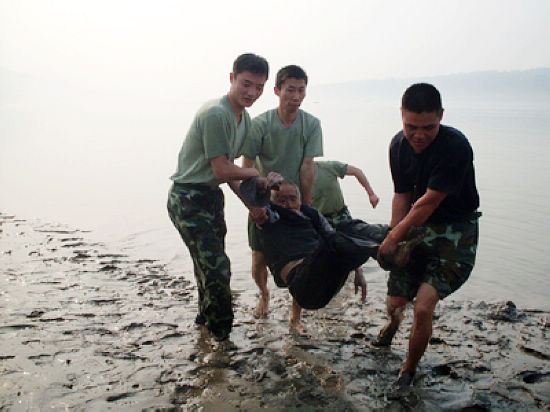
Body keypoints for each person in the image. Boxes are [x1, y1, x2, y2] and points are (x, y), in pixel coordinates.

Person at [375, 83, 481, 388]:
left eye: (428, 127)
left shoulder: (455, 146)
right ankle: (392, 327)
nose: (418, 135)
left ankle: (408, 370)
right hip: (417, 225)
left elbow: (428, 201)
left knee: (422, 306)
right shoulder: (398, 145)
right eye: (411, 126)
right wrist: (395, 238)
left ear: (441, 117)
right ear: (401, 117)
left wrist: (395, 237)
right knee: (396, 301)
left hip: (456, 232)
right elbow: (402, 195)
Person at [166, 53, 270, 342]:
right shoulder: (216, 113)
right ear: (232, 79)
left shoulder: (244, 119)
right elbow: (223, 168)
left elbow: (230, 175)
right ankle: (221, 338)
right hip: (188, 198)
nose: (251, 93)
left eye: (259, 87)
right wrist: (254, 176)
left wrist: (252, 205)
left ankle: (206, 325)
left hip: (211, 196)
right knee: (218, 269)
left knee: (208, 267)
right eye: (246, 84)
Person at [245, 180, 390, 332]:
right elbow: (249, 194)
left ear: (300, 201)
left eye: (292, 199)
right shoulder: (272, 216)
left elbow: (334, 236)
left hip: (328, 280)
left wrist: (358, 271)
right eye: (282, 200)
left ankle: (393, 234)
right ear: (273, 202)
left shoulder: (311, 215)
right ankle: (384, 250)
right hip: (304, 284)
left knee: (346, 227)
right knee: (333, 242)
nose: (288, 203)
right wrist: (265, 185)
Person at [241, 65, 323, 319]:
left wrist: (305, 206)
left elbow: (308, 166)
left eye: (301, 90)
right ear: (277, 91)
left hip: (294, 201)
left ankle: (295, 315)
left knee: (303, 262)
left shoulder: (311, 124)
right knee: (258, 260)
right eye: (290, 90)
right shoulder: (260, 124)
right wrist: (254, 203)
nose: (296, 96)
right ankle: (264, 293)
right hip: (265, 202)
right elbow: (247, 165)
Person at [311, 160, 380, 302]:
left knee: (355, 245)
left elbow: (356, 171)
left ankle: (359, 273)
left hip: (341, 214)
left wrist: (371, 194)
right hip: (321, 220)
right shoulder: (296, 176)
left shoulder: (328, 167)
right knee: (322, 257)